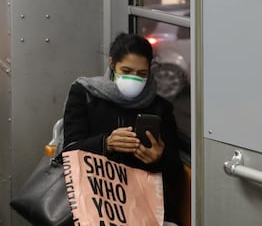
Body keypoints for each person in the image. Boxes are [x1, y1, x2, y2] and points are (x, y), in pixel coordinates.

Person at [63, 32, 183, 225]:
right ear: (112, 64)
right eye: (126, 71)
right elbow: (69, 151)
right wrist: (105, 143)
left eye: (141, 74)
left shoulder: (160, 107)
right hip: (94, 199)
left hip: (142, 203)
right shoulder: (86, 94)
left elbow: (174, 170)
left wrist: (157, 159)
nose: (134, 79)